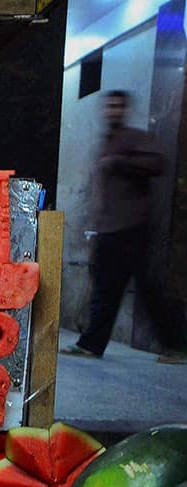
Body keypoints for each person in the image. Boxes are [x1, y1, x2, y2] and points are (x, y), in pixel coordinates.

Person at [61, 90, 186, 363]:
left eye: (118, 106)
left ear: (125, 110)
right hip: (109, 229)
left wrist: (120, 163)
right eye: (110, 106)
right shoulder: (107, 142)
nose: (113, 110)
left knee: (147, 289)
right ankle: (92, 344)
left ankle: (176, 345)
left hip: (131, 228)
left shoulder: (134, 138)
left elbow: (158, 164)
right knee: (106, 288)